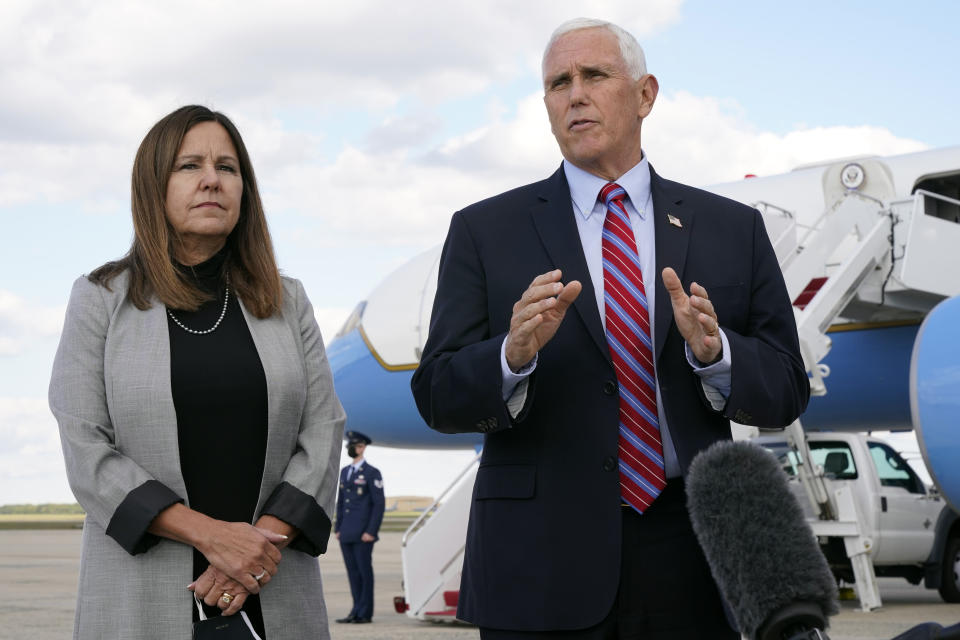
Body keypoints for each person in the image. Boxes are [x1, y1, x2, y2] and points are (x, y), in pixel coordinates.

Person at [411, 18, 810, 639]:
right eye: (557, 83)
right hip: (540, 559)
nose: (574, 95)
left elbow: (787, 388)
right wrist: (510, 358)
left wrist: (717, 355)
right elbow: (436, 392)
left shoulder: (732, 229)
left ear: (646, 94)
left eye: (594, 75)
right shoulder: (485, 232)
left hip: (695, 555)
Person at [49, 105, 345, 639]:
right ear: (152, 186)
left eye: (227, 167)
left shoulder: (287, 301)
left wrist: (254, 548)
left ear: (244, 190)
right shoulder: (99, 299)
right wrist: (213, 538)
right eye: (189, 166)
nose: (212, 179)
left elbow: (323, 431)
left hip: (269, 581)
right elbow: (87, 450)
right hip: (139, 597)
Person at [334, 430, 385, 624]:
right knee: (353, 573)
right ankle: (355, 610)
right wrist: (338, 528)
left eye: (353, 446)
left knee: (364, 572)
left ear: (362, 447)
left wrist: (371, 531)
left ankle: (365, 612)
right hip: (346, 532)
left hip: (364, 533)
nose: (350, 449)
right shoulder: (345, 472)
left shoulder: (372, 473)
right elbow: (341, 502)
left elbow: (378, 504)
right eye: (349, 446)